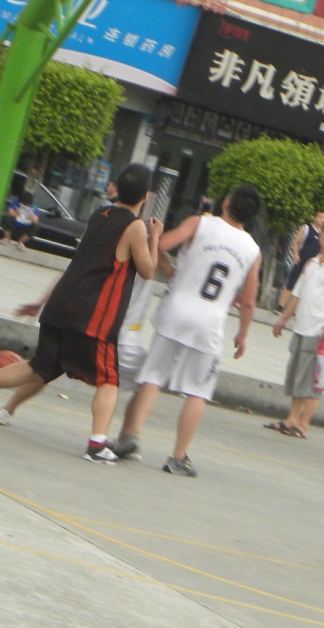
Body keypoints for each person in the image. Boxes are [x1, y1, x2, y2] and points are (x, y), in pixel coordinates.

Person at [0, 164, 161, 461]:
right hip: (93, 315)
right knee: (108, 379)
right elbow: (148, 271)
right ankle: (97, 443)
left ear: (118, 188)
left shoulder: (99, 214)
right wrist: (155, 237)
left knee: (40, 366)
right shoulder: (135, 226)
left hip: (61, 305)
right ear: (146, 196)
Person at [109, 184, 262, 476]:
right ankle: (178, 456)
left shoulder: (200, 223)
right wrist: (243, 334)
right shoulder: (253, 250)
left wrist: (161, 249)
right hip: (210, 323)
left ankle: (129, 435)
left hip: (176, 311)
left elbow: (162, 245)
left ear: (227, 202)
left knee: (152, 377)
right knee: (197, 391)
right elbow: (249, 301)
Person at [270, 219, 324, 439]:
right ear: (320, 235)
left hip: (321, 332)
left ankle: (303, 424)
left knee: (314, 381)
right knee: (297, 376)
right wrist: (283, 320)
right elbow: (297, 294)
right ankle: (291, 419)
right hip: (301, 328)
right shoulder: (311, 263)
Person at [277, 209, 324, 312]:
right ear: (315, 217)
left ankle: (294, 310)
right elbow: (296, 242)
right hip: (301, 260)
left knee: (305, 287)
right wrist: (296, 254)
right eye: (320, 217)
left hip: (313, 265)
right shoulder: (306, 229)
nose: (322, 220)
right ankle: (280, 305)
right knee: (291, 283)